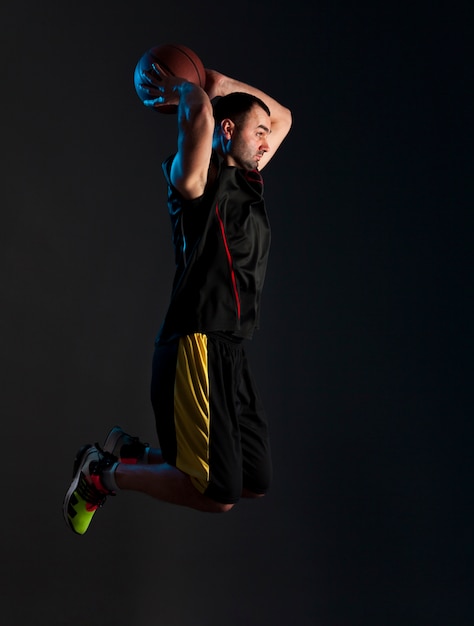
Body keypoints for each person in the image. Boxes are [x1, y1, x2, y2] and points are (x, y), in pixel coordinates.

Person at [63, 59, 292, 535]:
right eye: (259, 131)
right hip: (197, 341)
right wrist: (186, 89)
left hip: (231, 349)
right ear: (226, 129)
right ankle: (100, 474)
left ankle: (129, 452)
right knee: (218, 495)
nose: (269, 139)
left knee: (254, 479)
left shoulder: (249, 182)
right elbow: (204, 123)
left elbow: (285, 115)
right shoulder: (193, 180)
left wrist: (220, 82)